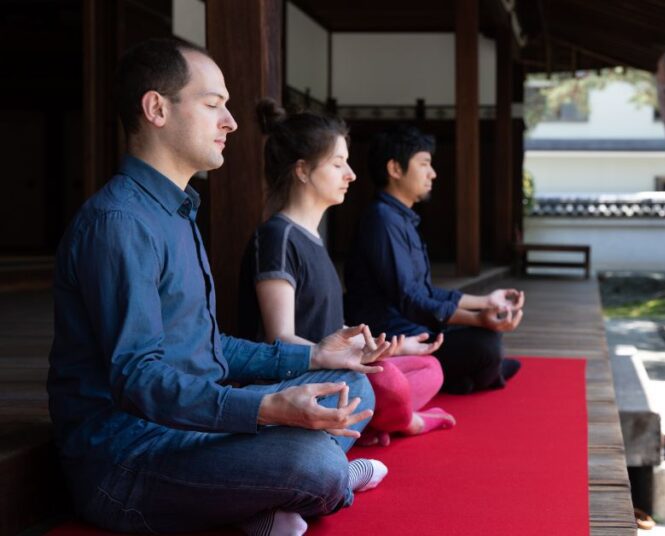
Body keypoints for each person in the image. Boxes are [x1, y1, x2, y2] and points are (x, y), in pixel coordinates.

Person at [47, 38, 390, 536]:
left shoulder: (177, 210)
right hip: (129, 460)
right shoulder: (119, 222)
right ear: (156, 108)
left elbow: (209, 349)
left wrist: (315, 356)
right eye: (213, 105)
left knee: (352, 385)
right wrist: (266, 408)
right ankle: (298, 484)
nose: (230, 121)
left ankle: (261, 499)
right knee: (315, 462)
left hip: (192, 426)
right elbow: (137, 378)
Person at [238, 100, 456, 447]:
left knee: (427, 368)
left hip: (329, 368)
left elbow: (326, 329)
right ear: (302, 171)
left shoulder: (312, 237)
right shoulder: (278, 237)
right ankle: (399, 421)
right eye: (338, 164)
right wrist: (355, 360)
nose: (351, 174)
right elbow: (279, 339)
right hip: (294, 381)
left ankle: (363, 422)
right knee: (382, 383)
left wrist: (389, 348)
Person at [344, 124, 526, 395]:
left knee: (487, 340)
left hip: (417, 325)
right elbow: (409, 298)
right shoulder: (382, 220)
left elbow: (425, 291)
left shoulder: (400, 218)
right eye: (424, 164)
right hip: (392, 337)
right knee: (486, 346)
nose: (433, 173)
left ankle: (470, 376)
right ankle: (474, 375)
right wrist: (476, 319)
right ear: (395, 169)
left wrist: (485, 302)